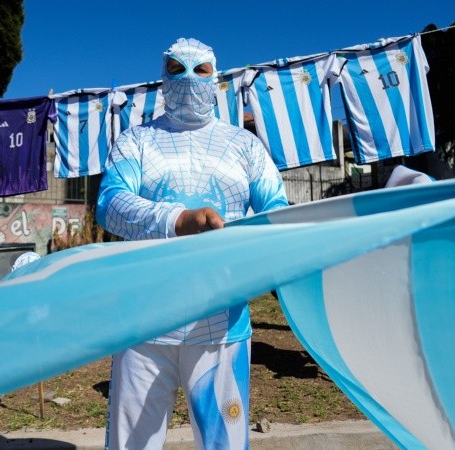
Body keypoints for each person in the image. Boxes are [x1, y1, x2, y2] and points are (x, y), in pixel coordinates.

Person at [96, 37, 289, 450]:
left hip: (222, 327)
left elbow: (277, 213)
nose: (187, 79)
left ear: (215, 77)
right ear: (161, 79)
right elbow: (109, 203)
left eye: (200, 70)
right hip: (142, 328)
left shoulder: (246, 147)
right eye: (175, 69)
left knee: (225, 445)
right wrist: (179, 220)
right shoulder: (136, 142)